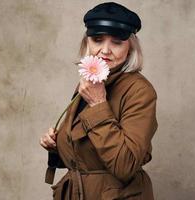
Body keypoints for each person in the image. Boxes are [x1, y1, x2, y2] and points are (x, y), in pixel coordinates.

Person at [39, 2, 158, 200]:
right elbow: (88, 157)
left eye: (117, 42)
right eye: (97, 40)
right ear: (87, 43)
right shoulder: (91, 82)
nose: (105, 50)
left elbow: (124, 165)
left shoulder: (140, 91)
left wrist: (98, 104)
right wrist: (56, 147)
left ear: (130, 47)